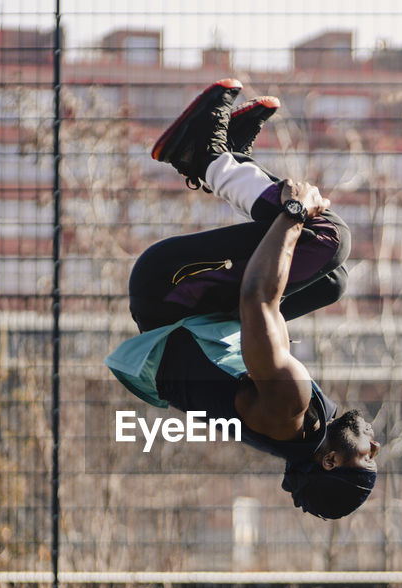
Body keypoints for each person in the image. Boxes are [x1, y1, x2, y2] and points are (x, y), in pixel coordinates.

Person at [105, 79, 380, 520]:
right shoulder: (300, 429)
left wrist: (293, 212)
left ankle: (207, 158)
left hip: (167, 290)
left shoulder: (288, 406)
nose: (374, 447)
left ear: (329, 461)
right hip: (192, 312)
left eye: (367, 458)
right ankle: (234, 159)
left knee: (328, 239)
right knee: (332, 282)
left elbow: (257, 299)